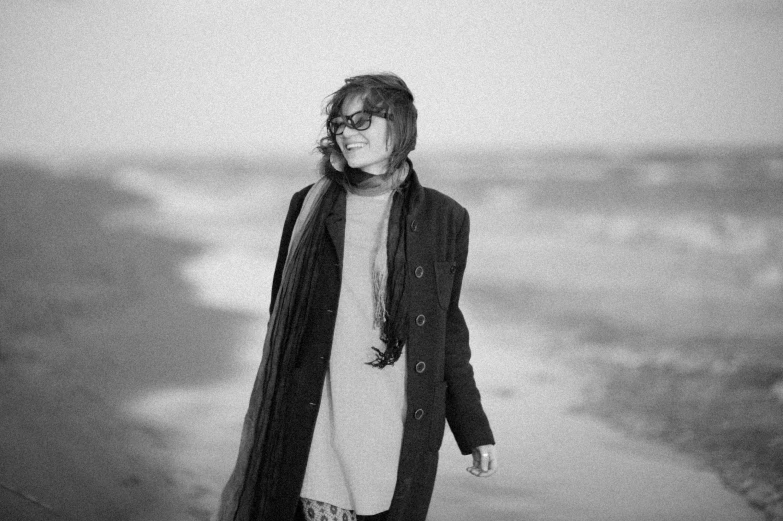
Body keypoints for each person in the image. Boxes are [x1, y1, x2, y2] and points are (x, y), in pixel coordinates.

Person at [217, 72, 497, 521]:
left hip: (398, 427)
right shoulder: (309, 206)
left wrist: (473, 428)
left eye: (361, 120)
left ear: (400, 124)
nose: (346, 132)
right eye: (339, 123)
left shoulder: (446, 218)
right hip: (318, 423)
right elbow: (282, 318)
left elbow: (447, 330)